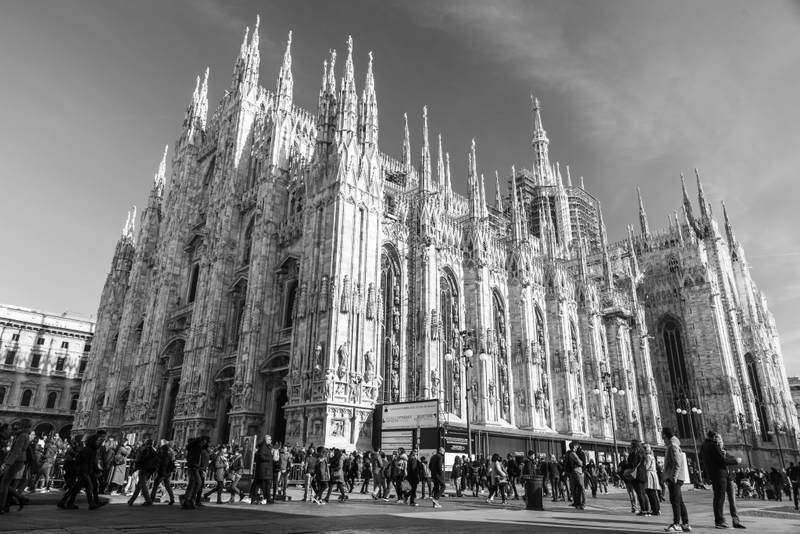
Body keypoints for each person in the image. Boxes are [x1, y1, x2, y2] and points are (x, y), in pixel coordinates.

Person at [700, 431, 745, 529]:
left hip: (728, 478)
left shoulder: (723, 450)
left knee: (731, 500)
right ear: (715, 439)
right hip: (720, 476)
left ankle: (735, 520)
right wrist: (735, 461)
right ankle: (720, 520)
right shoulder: (713, 447)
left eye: (721, 440)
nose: (720, 442)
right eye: (718, 439)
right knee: (720, 498)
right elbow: (721, 461)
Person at [662, 427, 691, 532]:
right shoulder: (673, 445)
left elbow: (677, 463)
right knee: (679, 501)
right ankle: (685, 524)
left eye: (662, 435)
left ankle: (677, 524)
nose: (662, 437)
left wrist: (673, 477)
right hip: (676, 477)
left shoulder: (673, 446)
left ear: (665, 435)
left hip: (675, 478)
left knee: (675, 501)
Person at [0, 420, 31, 514]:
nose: (17, 426)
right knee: (5, 483)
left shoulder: (22, 436)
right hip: (17, 461)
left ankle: (1, 506)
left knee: (4, 483)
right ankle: (20, 498)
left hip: (16, 461)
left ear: (24, 426)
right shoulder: (22, 435)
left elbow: (17, 451)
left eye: (20, 424)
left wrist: (8, 464)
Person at [182, 435, 209, 509]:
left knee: (193, 483)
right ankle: (189, 500)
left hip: (193, 466)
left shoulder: (195, 446)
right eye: (205, 441)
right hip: (194, 467)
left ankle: (188, 500)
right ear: (202, 441)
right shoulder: (197, 447)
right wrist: (198, 466)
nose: (206, 443)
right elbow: (196, 458)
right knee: (197, 483)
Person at [128, 439, 157, 506]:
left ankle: (148, 501)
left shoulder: (146, 450)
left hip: (144, 469)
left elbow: (140, 460)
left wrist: (136, 468)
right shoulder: (154, 451)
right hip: (149, 470)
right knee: (139, 485)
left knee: (142, 485)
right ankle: (131, 501)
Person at [150, 440, 176, 505]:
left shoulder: (164, 456)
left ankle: (151, 499)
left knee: (156, 485)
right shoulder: (169, 455)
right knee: (167, 486)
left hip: (163, 473)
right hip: (167, 473)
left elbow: (163, 465)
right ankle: (172, 499)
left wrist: (160, 471)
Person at [250, 436, 274, 505]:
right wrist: (270, 458)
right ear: (266, 440)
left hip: (263, 470)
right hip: (263, 470)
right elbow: (261, 456)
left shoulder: (265, 446)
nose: (271, 440)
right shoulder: (263, 447)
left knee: (261, 485)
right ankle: (265, 499)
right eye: (270, 439)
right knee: (263, 485)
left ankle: (258, 498)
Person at [643, 444, 660, 516]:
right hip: (653, 474)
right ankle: (656, 509)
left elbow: (646, 466)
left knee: (651, 492)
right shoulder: (651, 456)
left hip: (649, 474)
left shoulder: (648, 457)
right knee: (653, 492)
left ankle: (655, 509)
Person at [568, 442, 585, 510]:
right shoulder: (573, 454)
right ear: (574, 447)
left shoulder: (571, 453)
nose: (577, 447)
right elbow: (580, 463)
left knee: (576, 488)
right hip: (577, 471)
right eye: (576, 446)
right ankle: (582, 503)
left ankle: (578, 503)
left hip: (574, 472)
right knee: (581, 487)